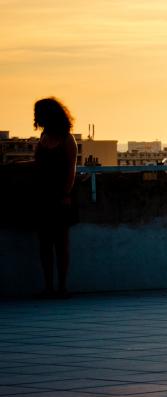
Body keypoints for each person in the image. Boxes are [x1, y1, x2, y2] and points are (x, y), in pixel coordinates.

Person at [30, 98, 77, 299]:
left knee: (61, 244)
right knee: (45, 245)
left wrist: (66, 194)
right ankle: (49, 287)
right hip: (43, 196)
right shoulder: (43, 137)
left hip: (60, 197)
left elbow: (71, 170)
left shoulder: (67, 139)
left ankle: (61, 287)